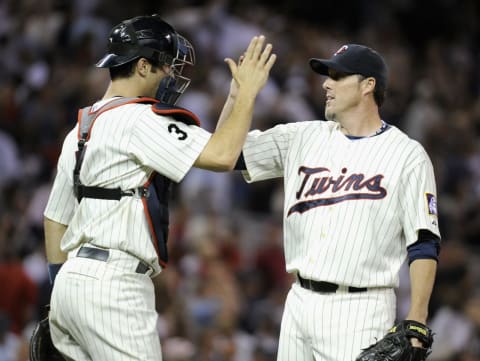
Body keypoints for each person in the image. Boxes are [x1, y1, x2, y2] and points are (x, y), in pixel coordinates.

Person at [43, 14, 275, 361]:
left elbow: (55, 220)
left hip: (69, 284)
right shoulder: (142, 119)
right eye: (164, 65)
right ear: (141, 66)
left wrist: (65, 290)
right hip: (114, 285)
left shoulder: (81, 127)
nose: (170, 74)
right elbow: (224, 155)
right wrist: (249, 95)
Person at [232, 44, 441, 360]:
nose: (326, 84)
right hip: (299, 301)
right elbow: (226, 153)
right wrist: (239, 96)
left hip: (360, 308)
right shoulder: (302, 137)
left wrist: (418, 316)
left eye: (338, 76)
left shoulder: (407, 155)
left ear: (368, 85)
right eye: (327, 76)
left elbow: (424, 242)